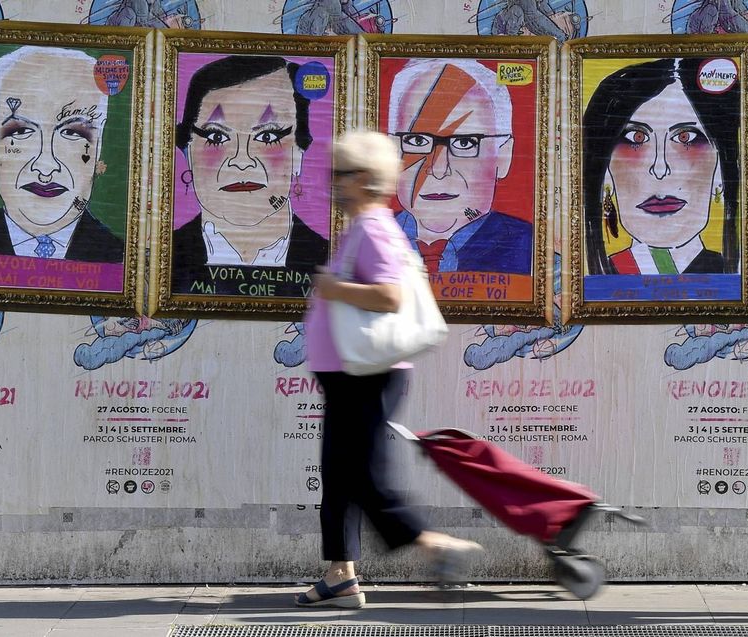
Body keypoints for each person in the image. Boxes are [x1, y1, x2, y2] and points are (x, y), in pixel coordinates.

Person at [299, 131, 482, 609]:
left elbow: (390, 296)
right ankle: (340, 573)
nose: (332, 185)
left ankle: (434, 544)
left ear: (362, 179)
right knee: (339, 475)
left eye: (339, 176)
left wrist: (333, 289)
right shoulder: (364, 226)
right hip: (351, 374)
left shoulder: (374, 228)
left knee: (360, 475)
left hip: (367, 374)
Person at [172, 55, 329, 293]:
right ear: (187, 150)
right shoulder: (161, 263)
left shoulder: (330, 264)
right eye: (216, 137)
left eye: (267, 136)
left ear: (299, 151)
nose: (241, 160)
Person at [582, 57, 740, 276]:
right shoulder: (593, 283)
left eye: (686, 137)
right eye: (636, 137)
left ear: (721, 171)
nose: (660, 168)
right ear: (606, 171)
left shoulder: (735, 282)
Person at [0, 46, 124, 264]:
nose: (45, 165)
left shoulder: (120, 260)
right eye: (20, 131)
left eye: (71, 132)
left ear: (99, 146)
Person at [388, 58, 532, 275]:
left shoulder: (533, 253)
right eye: (417, 141)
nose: (438, 169)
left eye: (465, 143)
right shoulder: (370, 240)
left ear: (503, 155)